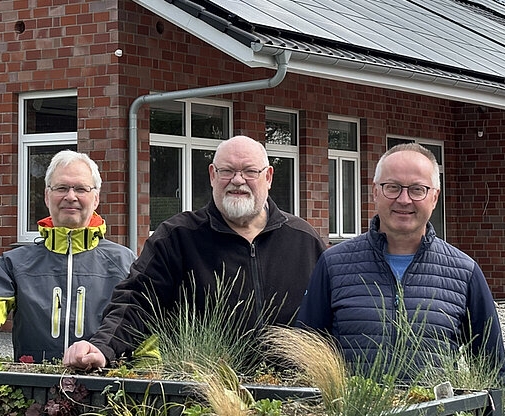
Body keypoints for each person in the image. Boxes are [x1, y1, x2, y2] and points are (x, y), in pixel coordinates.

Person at [64, 135, 326, 370]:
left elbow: (329, 316)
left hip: (292, 396)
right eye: (227, 171)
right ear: (212, 175)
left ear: (268, 177)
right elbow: (136, 301)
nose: (237, 180)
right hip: (201, 396)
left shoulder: (303, 240)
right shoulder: (177, 238)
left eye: (249, 172)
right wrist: (103, 347)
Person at [297, 142, 505, 388]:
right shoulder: (334, 265)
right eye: (392, 188)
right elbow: (306, 360)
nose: (404, 199)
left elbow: (494, 373)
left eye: (417, 189)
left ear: (434, 197)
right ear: (375, 192)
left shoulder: (464, 272)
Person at [0, 150, 136, 361]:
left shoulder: (124, 262)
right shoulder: (15, 263)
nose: (71, 197)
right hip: (33, 389)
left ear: (96, 198)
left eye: (81, 189)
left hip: (106, 390)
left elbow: (142, 327)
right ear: (47, 196)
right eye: (61, 188)